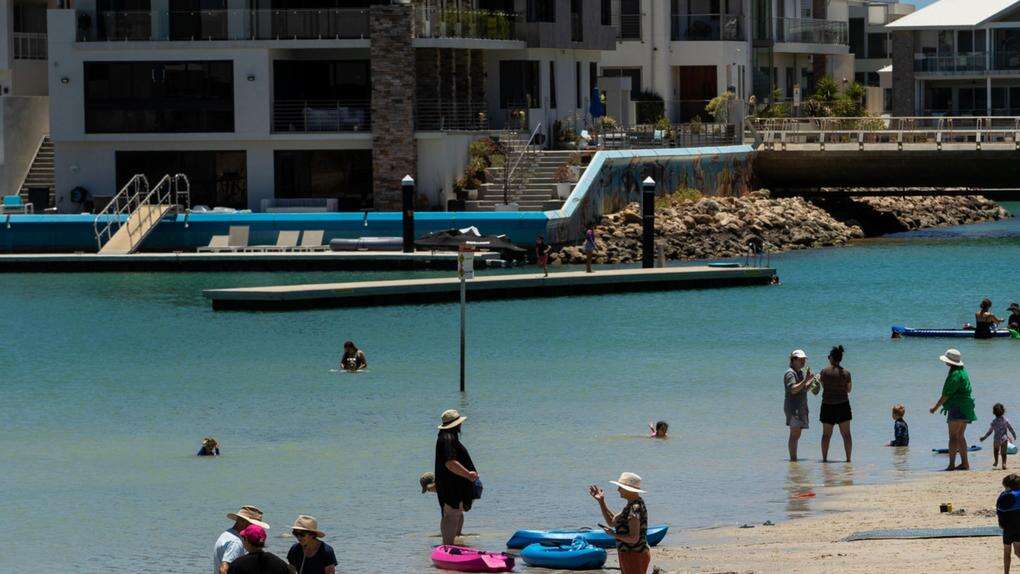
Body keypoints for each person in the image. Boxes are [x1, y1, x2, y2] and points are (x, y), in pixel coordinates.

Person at [589, 472, 650, 574]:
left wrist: (613, 534)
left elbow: (633, 538)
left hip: (634, 554)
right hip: (630, 553)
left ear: (627, 489)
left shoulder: (634, 508)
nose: (618, 490)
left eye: (620, 487)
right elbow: (612, 522)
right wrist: (601, 501)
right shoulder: (632, 504)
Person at [435, 409, 478, 545]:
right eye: (460, 423)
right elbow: (450, 463)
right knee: (451, 515)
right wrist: (468, 474)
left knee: (452, 514)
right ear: (456, 425)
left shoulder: (447, 436)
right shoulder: (448, 439)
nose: (461, 426)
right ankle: (447, 547)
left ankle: (449, 544)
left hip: (451, 484)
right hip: (450, 485)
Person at [930, 348, 977, 471]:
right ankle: (965, 463)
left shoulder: (955, 374)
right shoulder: (963, 372)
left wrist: (935, 407)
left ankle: (951, 465)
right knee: (960, 435)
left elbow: (947, 393)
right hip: (966, 407)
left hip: (957, 406)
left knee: (953, 436)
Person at [819, 345, 853, 463]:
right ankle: (848, 460)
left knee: (826, 435)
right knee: (846, 435)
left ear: (831, 358)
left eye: (829, 357)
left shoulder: (824, 372)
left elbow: (823, 386)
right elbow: (848, 390)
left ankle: (824, 459)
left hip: (827, 405)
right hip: (843, 405)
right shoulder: (846, 373)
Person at [215, 506, 268, 574]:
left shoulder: (227, 534)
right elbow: (223, 570)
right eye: (254, 524)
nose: (256, 528)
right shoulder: (236, 542)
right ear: (243, 522)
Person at [784, 349, 816, 462]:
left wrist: (811, 381)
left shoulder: (800, 372)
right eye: (800, 360)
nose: (803, 362)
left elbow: (803, 389)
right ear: (793, 360)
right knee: (794, 435)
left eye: (804, 360)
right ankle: (793, 460)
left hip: (801, 407)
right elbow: (793, 389)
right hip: (794, 408)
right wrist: (805, 381)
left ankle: (794, 460)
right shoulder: (790, 373)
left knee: (797, 435)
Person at [982, 404, 1018, 470]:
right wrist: (1014, 434)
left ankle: (996, 461)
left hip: (996, 439)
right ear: (1003, 411)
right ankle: (1004, 464)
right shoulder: (1005, 421)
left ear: (993, 412)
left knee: (996, 451)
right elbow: (1010, 428)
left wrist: (984, 437)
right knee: (1003, 453)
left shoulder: (994, 422)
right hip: (1004, 439)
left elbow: (990, 431)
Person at [997, 474, 1020, 573]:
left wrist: (1001, 524)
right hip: (1019, 527)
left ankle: (1006, 572)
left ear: (1008, 487)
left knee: (1007, 552)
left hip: (1008, 528)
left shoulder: (1004, 496)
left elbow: (1000, 513)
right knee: (1018, 552)